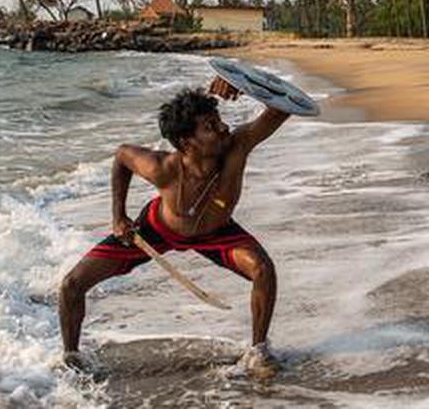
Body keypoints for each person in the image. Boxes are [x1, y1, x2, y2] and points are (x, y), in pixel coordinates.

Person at [58, 77, 287, 378]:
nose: (223, 128)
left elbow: (282, 107)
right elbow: (122, 155)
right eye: (209, 126)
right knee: (71, 285)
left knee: (262, 269)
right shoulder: (161, 167)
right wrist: (119, 217)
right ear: (186, 142)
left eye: (218, 120)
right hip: (157, 230)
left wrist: (244, 83)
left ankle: (258, 352)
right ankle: (72, 363)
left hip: (216, 233)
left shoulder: (237, 147)